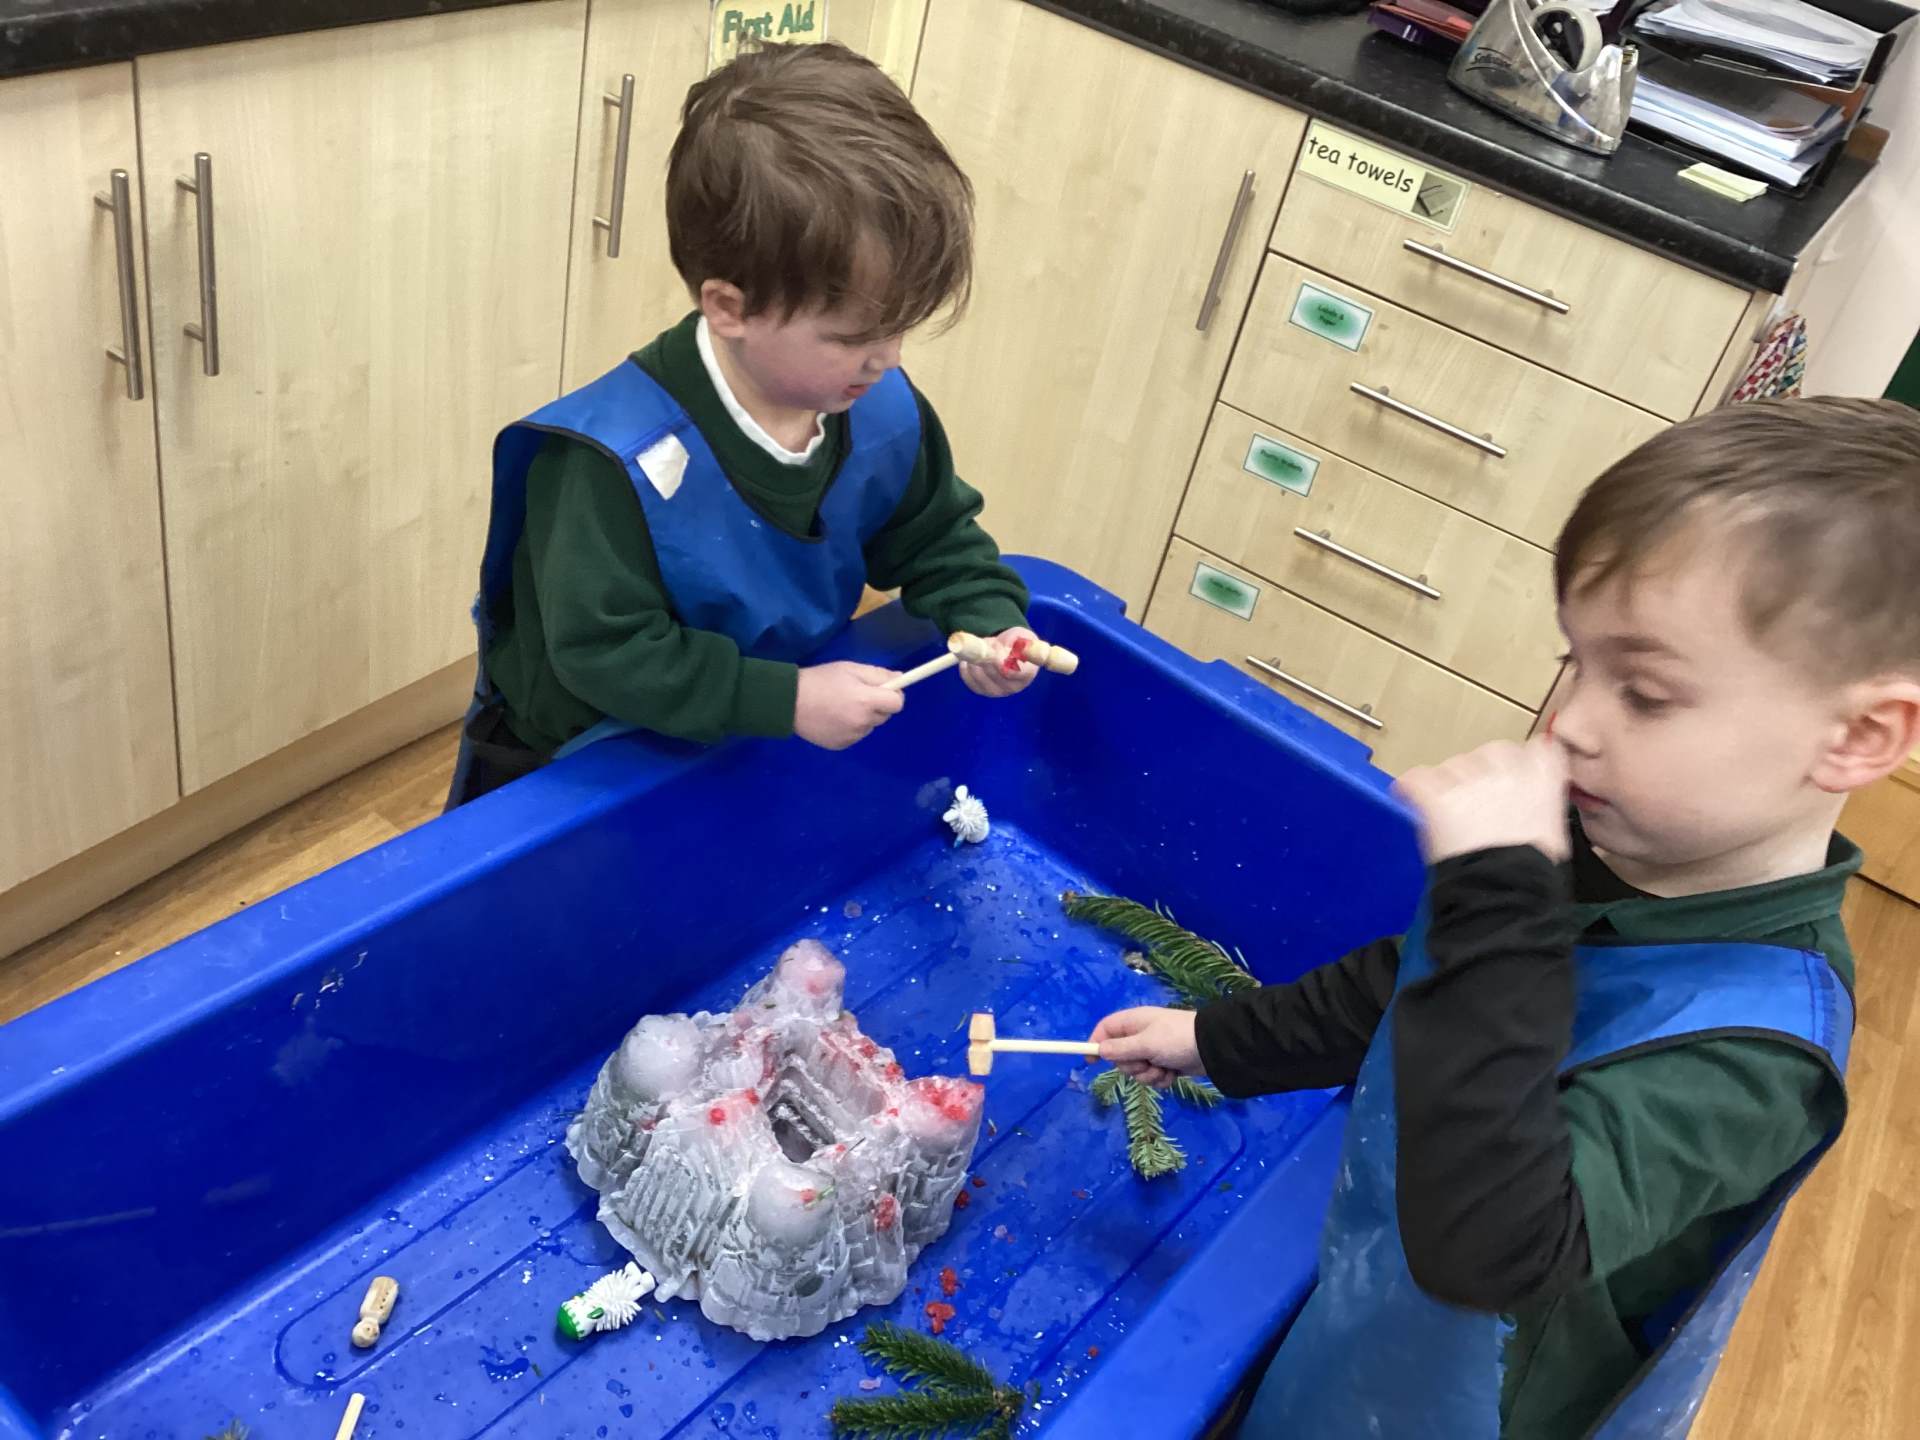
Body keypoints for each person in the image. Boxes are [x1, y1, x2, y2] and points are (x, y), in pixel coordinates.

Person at [1094, 397, 1920, 1437]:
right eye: (1576, 661)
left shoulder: (1755, 1056)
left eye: (1646, 693)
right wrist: (1216, 1039)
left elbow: (1493, 1248)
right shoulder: (1598, 846)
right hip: (1366, 1331)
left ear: (1859, 738)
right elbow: (1412, 983)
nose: (1569, 722)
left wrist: (1496, 902)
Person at [447, 43, 1034, 807]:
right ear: (729, 308)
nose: (888, 358)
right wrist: (786, 699)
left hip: (755, 735)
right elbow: (606, 654)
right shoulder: (607, 465)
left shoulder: (877, 406)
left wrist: (989, 619)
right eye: (853, 336)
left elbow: (936, 538)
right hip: (595, 766)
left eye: (900, 328)